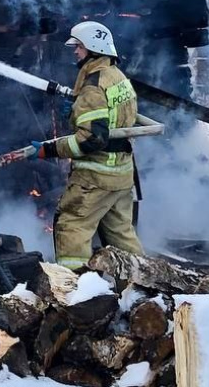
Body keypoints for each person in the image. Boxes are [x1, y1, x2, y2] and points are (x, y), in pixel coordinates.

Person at [42, 21, 143, 270]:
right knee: (122, 237)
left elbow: (91, 139)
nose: (75, 52)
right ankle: (142, 288)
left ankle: (75, 294)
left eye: (79, 47)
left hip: (95, 177)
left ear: (93, 48)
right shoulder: (117, 77)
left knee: (71, 227)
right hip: (121, 173)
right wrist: (75, 111)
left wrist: (50, 149)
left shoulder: (93, 85)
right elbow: (112, 119)